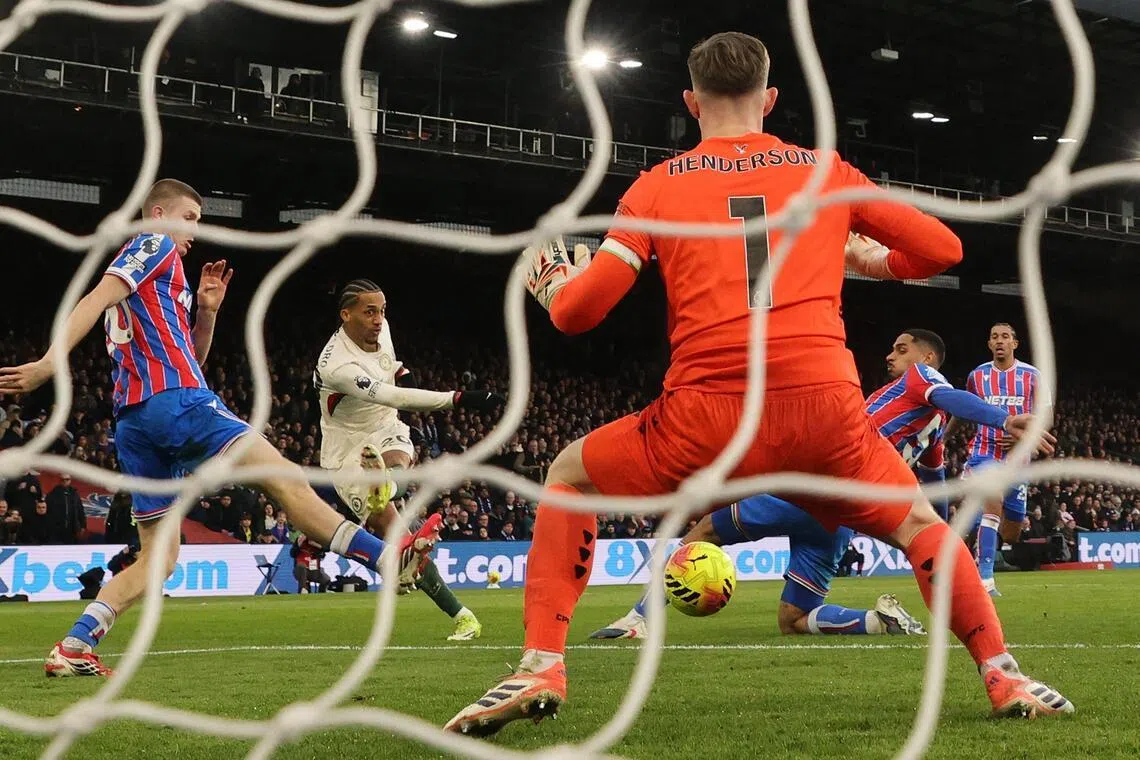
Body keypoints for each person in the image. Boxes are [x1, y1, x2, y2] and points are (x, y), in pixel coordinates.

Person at [445, 34, 1071, 735]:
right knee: (923, 527)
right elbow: (944, 250)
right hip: (825, 416)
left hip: (707, 419)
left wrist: (555, 283)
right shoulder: (823, 171)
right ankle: (1002, 674)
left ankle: (540, 664)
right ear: (769, 100)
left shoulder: (659, 185)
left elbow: (579, 314)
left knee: (567, 476)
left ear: (689, 104)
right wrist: (865, 259)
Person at [0, 179, 442, 678]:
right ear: (159, 212)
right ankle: (385, 558)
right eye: (188, 217)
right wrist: (48, 362)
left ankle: (75, 645)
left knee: (159, 560)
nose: (193, 230)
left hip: (136, 423)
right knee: (282, 476)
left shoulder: (165, 284)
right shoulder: (154, 241)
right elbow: (99, 294)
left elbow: (193, 359)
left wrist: (206, 313)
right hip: (177, 404)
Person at [590, 330, 1050, 640]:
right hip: (841, 517)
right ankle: (876, 621)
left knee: (706, 530)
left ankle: (640, 620)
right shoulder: (929, 429)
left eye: (901, 348)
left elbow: (950, 396)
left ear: (926, 357)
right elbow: (933, 481)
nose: (891, 355)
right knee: (793, 619)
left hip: (820, 486)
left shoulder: (924, 378)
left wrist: (1005, 417)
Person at [313, 279, 504, 641]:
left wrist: (402, 370)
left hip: (383, 427)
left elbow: (392, 370)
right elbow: (393, 395)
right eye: (369, 311)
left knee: (399, 461)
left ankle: (385, 483)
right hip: (345, 448)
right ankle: (461, 614)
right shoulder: (337, 365)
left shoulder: (380, 331)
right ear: (346, 314)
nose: (378, 319)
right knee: (401, 539)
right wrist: (458, 398)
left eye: (382, 310)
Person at [960, 322, 1047, 597]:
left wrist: (1024, 438)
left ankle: (968, 527)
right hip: (984, 451)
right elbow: (962, 408)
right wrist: (942, 436)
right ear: (989, 344)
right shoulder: (977, 376)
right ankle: (985, 579)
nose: (1000, 341)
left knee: (1011, 531)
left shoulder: (1032, 375)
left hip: (1017, 460)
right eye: (994, 336)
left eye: (1005, 337)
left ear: (1015, 344)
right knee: (992, 501)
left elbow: (1047, 416)